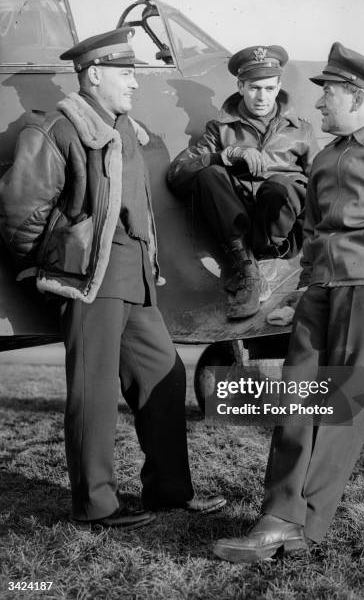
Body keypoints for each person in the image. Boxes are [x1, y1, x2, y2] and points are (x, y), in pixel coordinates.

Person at [213, 42, 364, 562]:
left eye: (328, 97)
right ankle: (281, 514)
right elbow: (313, 231)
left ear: (357, 96)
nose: (318, 107)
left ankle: (300, 521)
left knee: (345, 407)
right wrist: (298, 292)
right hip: (321, 290)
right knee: (297, 400)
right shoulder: (325, 158)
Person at [0, 28, 225, 530]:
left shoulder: (124, 126)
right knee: (94, 393)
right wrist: (61, 259)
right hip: (90, 280)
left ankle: (169, 492)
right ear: (94, 74)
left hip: (136, 277)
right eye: (126, 74)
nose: (134, 84)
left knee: (164, 376)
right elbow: (18, 212)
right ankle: (95, 506)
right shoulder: (57, 128)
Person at [167, 45, 319, 320]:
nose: (262, 97)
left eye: (269, 88)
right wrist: (224, 155)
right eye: (254, 88)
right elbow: (177, 173)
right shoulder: (220, 130)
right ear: (240, 86)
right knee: (209, 173)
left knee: (280, 185)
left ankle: (269, 262)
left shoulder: (302, 131)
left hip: (282, 234)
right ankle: (249, 272)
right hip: (238, 230)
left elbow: (321, 187)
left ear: (279, 86)